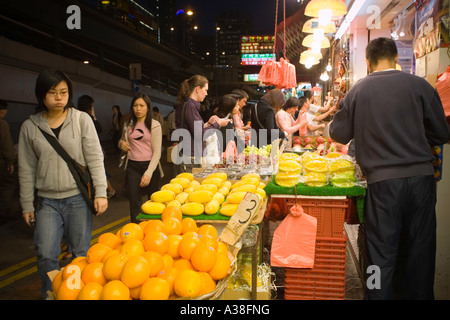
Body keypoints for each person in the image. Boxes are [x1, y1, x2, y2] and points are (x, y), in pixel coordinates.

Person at [329, 37, 450, 300]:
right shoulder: (420, 86)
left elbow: (338, 134)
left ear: (367, 62)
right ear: (396, 58)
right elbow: (441, 133)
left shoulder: (358, 91)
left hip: (383, 186)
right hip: (422, 183)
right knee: (421, 252)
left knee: (379, 255)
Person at [18, 69, 108, 298]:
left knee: (79, 253)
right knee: (46, 252)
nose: (59, 98)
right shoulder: (31, 127)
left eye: (64, 92)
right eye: (52, 93)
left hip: (78, 198)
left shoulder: (81, 120)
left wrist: (101, 193)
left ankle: (74, 293)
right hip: (47, 202)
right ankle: (51, 292)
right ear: (41, 95)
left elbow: (95, 158)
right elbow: (26, 168)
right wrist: (27, 204)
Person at [119, 93, 164, 223]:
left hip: (151, 166)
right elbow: (122, 140)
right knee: (134, 201)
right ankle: (136, 230)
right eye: (135, 106)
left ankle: (153, 229)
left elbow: (157, 152)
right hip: (133, 166)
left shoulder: (155, 125)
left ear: (147, 107)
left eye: (142, 106)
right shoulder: (128, 124)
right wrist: (121, 144)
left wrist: (149, 172)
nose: (138, 109)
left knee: (153, 202)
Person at [174, 75, 230, 172]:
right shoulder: (190, 107)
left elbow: (192, 129)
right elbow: (200, 135)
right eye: (205, 90)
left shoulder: (188, 105)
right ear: (198, 89)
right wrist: (218, 124)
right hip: (190, 158)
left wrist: (208, 124)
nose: (206, 94)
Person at [77, 95, 116, 199]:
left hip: (81, 152)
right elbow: (99, 128)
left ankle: (109, 190)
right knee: (99, 171)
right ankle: (108, 191)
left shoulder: (76, 117)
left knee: (98, 171)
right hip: (92, 151)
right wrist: (93, 115)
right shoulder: (87, 118)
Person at [0, 100, 17, 224]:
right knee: (7, 186)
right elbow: (7, 146)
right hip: (1, 163)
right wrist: (10, 161)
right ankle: (3, 214)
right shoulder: (2, 124)